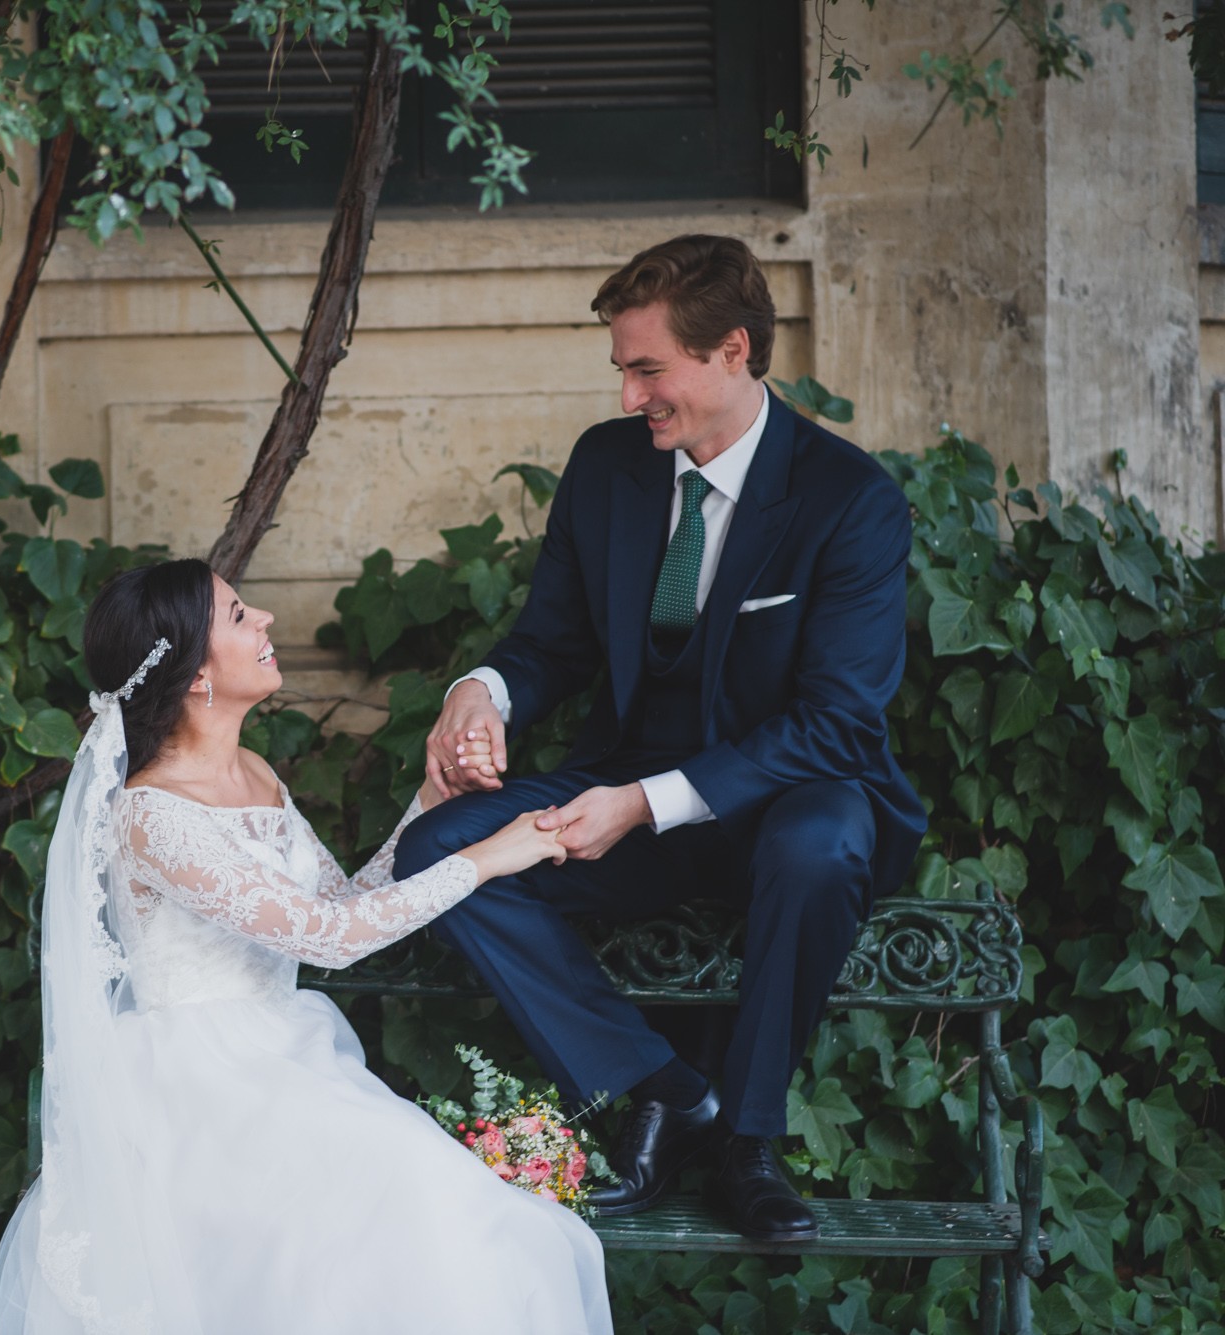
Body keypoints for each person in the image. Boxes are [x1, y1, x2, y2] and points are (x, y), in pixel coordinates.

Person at [394, 235, 925, 1244]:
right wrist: (479, 694)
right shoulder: (608, 467)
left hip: (789, 801)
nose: (629, 395)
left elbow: (837, 722)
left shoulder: (848, 500)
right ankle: (665, 1091)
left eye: (648, 369)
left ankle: (750, 1146)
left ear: (732, 351)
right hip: (623, 793)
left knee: (818, 843)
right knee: (437, 851)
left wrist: (644, 803)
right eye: (622, 369)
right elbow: (550, 641)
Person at [0, 558, 612, 1335]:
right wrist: (488, 856)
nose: (267, 620)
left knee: (456, 1219)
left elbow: (339, 903)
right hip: (200, 1092)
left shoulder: (255, 773)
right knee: (411, 1212)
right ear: (195, 671)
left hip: (286, 1055)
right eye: (239, 615)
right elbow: (331, 940)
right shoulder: (150, 814)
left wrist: (428, 804)